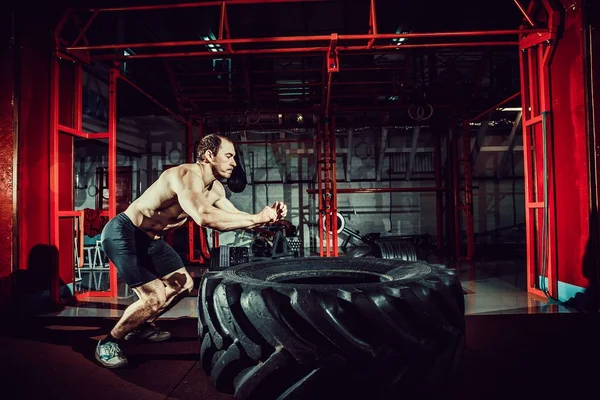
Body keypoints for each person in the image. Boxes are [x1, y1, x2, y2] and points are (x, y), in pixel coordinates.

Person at [95, 134, 288, 368]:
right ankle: (108, 342)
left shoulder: (215, 189)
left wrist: (265, 218)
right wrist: (257, 218)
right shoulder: (185, 176)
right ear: (209, 155)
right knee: (154, 296)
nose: (234, 163)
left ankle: (141, 325)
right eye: (228, 156)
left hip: (152, 240)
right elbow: (204, 217)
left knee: (182, 284)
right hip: (125, 233)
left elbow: (236, 217)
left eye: (234, 158)